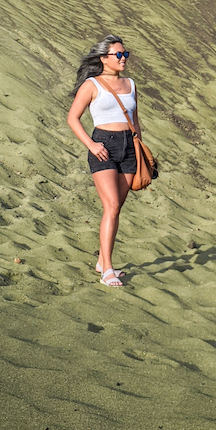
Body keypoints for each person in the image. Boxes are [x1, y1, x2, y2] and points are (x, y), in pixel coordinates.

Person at [67, 35, 141, 287]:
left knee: (116, 207)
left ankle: (102, 260)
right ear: (103, 58)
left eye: (125, 54)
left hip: (129, 147)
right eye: (118, 54)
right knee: (110, 205)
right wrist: (91, 144)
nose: (123, 58)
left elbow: (136, 120)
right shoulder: (92, 84)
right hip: (104, 145)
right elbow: (73, 118)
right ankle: (106, 269)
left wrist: (139, 149)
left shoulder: (130, 84)